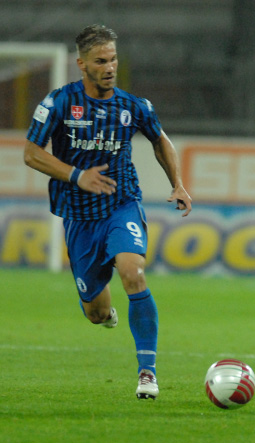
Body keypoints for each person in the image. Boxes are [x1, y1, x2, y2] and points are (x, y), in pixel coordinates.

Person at [24, 24, 192, 400]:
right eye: (101, 61)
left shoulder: (133, 106)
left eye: (113, 59)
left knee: (133, 272)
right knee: (96, 313)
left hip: (122, 205)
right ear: (82, 64)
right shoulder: (59, 103)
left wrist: (177, 183)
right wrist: (77, 175)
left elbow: (160, 141)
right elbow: (31, 153)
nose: (110, 67)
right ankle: (105, 313)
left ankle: (147, 372)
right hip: (79, 218)